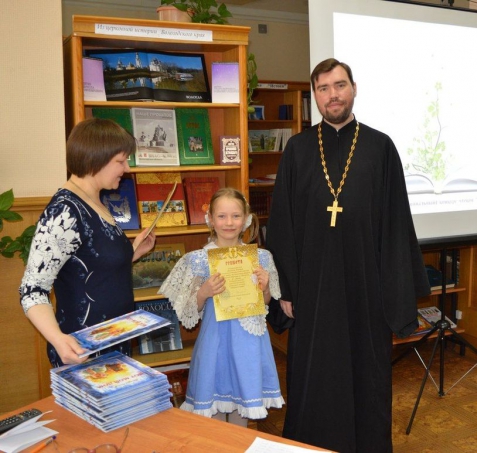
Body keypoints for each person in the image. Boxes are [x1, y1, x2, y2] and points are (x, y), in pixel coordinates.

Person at [266, 58, 431, 452]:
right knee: (314, 374)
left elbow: (395, 223)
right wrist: (284, 289)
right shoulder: (298, 149)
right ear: (315, 97)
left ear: (354, 88)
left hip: (366, 287)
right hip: (313, 290)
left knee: (366, 373)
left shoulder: (380, 147)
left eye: (339, 85)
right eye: (323, 88)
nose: (332, 95)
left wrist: (393, 290)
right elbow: (283, 224)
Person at [19, 118, 156, 368]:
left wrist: (132, 252)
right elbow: (32, 290)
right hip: (83, 348)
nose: (126, 168)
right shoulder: (64, 212)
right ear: (97, 159)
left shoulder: (95, 200)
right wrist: (59, 340)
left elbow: (89, 262)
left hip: (114, 339)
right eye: (120, 160)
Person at [159, 188, 284, 427]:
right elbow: (188, 313)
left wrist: (265, 287)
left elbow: (265, 304)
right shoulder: (197, 260)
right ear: (211, 219)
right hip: (215, 343)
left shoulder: (262, 257)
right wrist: (203, 292)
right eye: (222, 216)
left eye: (236, 216)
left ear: (246, 219)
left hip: (249, 344)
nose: (229, 223)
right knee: (213, 413)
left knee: (243, 411)